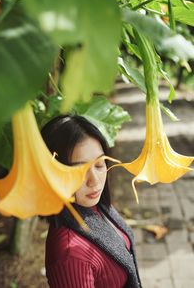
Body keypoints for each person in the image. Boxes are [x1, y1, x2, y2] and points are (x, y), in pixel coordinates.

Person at [41, 115, 142, 288]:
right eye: (79, 170)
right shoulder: (69, 254)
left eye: (100, 164)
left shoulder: (96, 206)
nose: (94, 181)